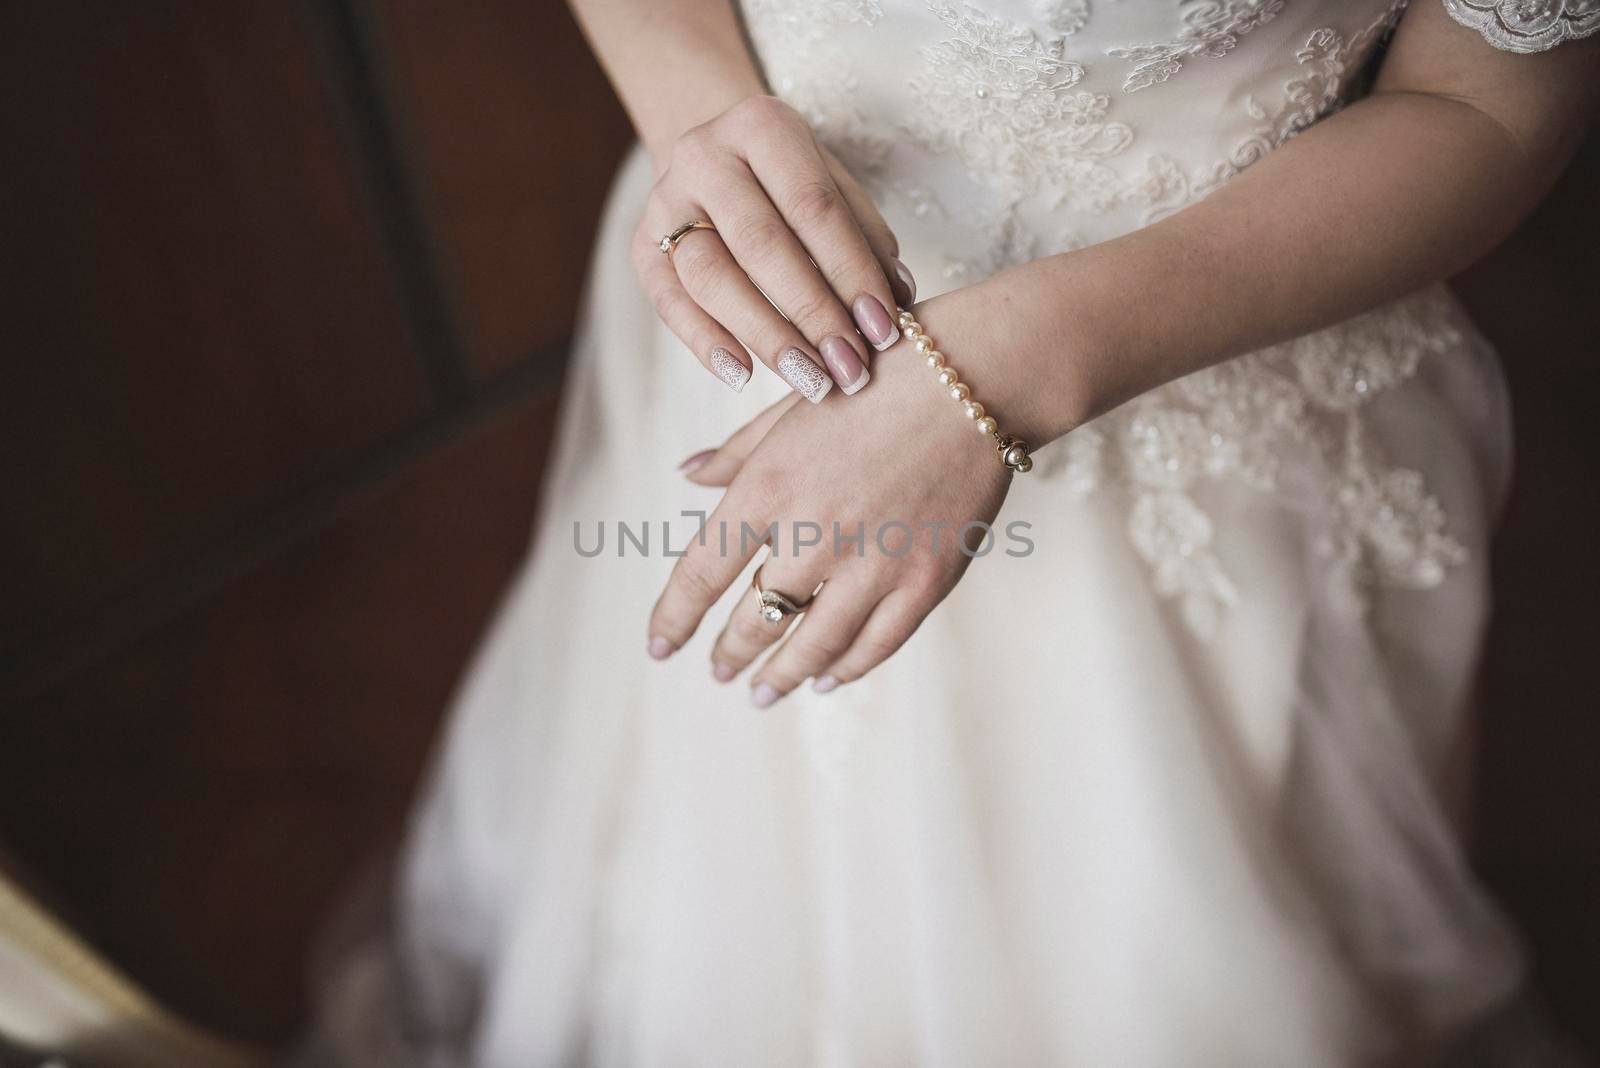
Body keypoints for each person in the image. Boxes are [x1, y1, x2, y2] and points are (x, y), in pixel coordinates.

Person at [312, 1, 1599, 1063]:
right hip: (753, 301)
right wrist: (699, 120)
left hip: (1206, 377)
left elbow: (1484, 102)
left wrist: (1017, 365)